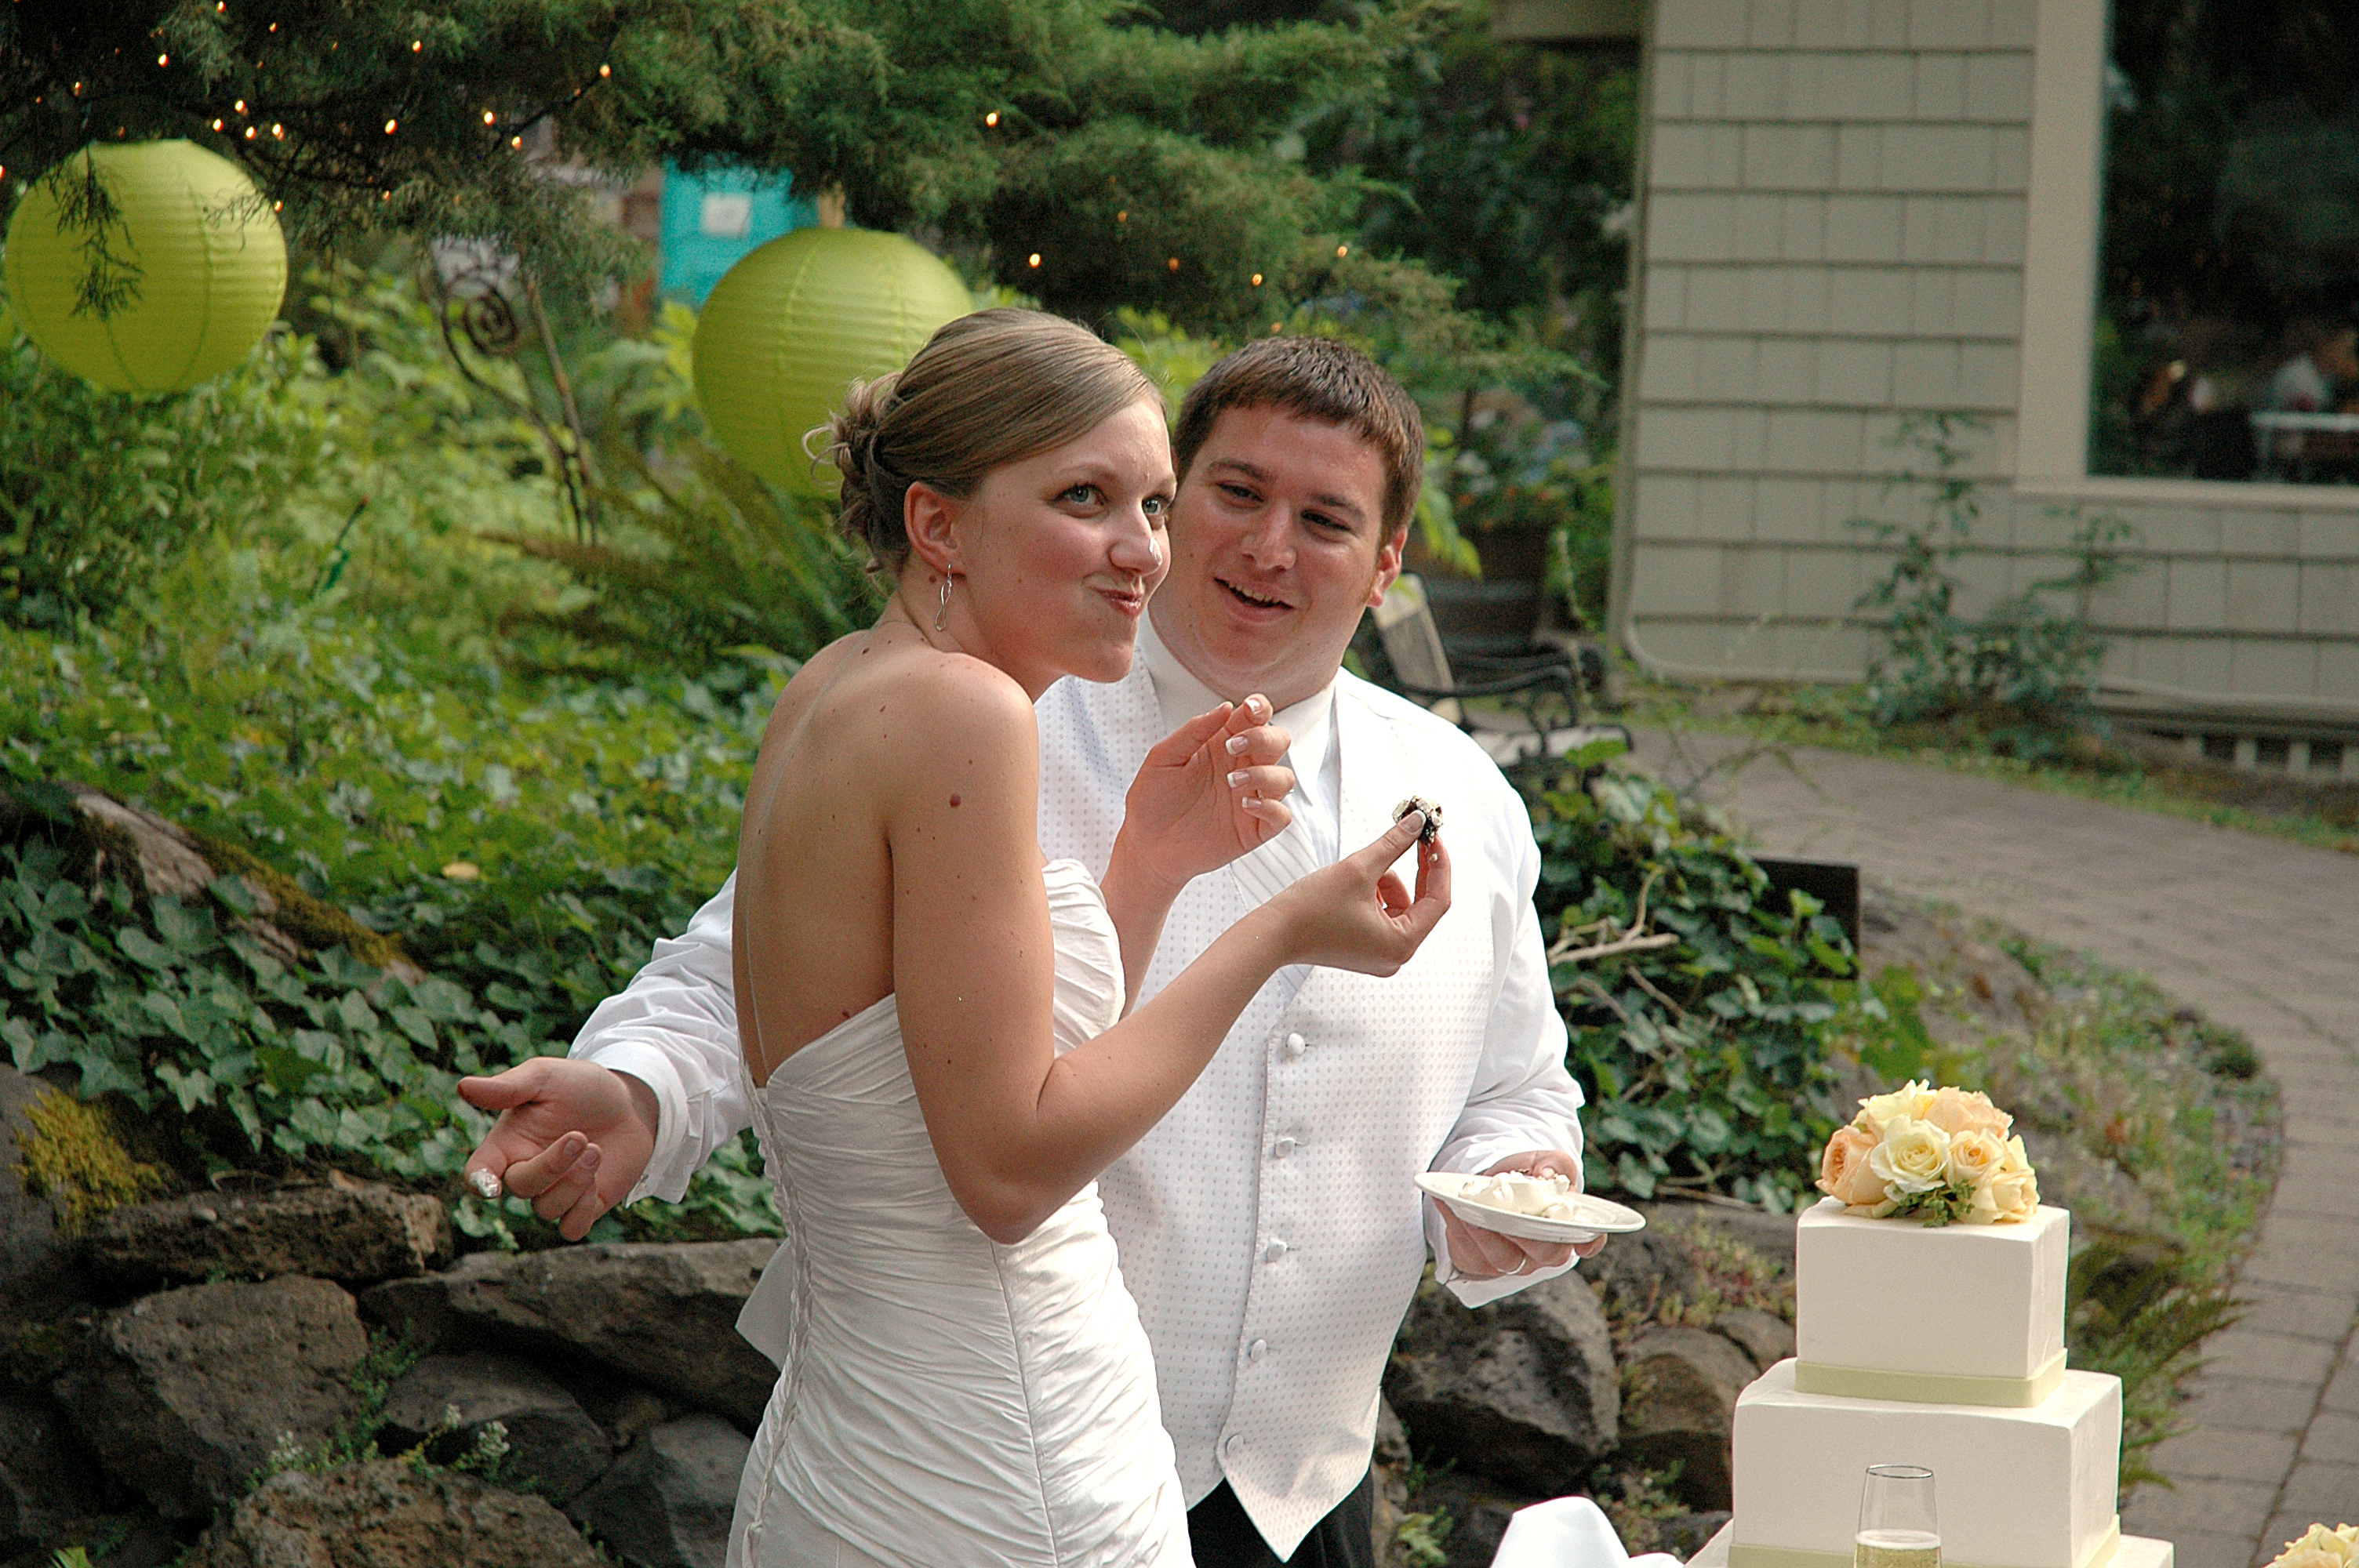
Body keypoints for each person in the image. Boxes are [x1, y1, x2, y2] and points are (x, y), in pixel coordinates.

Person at [462, 333, 1592, 1567]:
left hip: (1305, 1492)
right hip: (1004, 1454)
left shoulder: (1467, 799)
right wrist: (642, 1087)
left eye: (1323, 519)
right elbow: (750, 965)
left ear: (1383, 568)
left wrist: (1515, 1176)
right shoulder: (1003, 693)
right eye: (1234, 493)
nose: (1267, 546)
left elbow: (1519, 1081)